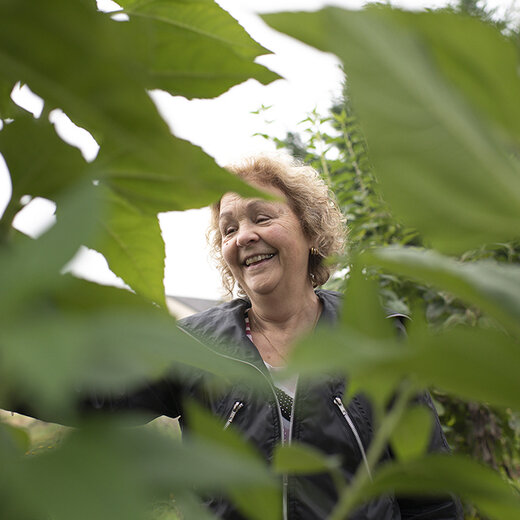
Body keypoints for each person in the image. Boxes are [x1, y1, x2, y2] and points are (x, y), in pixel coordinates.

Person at [174, 154, 463, 519]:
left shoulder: (375, 337)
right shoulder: (194, 345)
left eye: (262, 217)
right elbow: (93, 394)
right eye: (229, 230)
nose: (244, 236)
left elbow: (429, 490)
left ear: (309, 230)